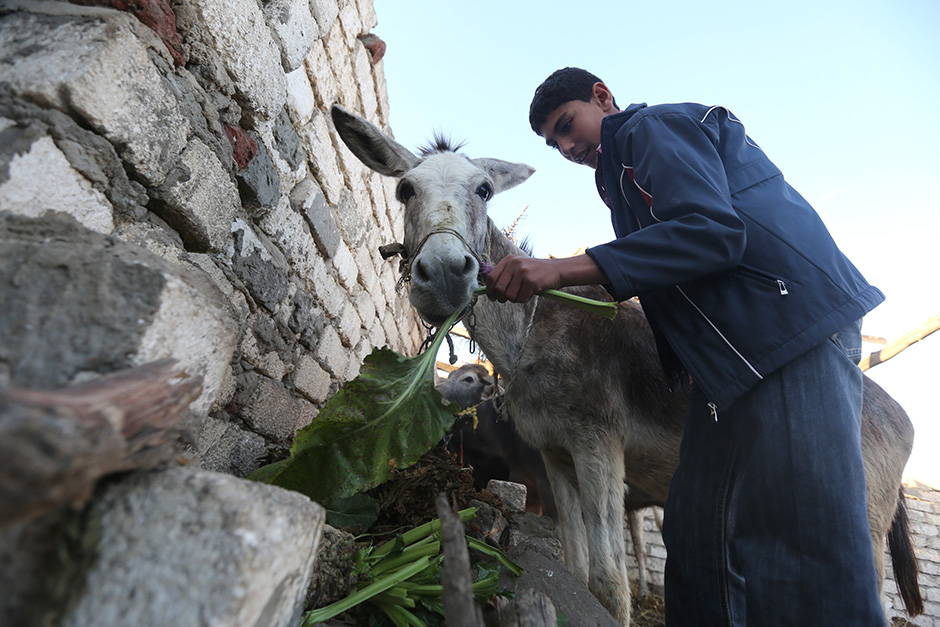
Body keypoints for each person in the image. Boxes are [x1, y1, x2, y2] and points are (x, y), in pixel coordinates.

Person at [484, 67, 886, 625]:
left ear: (602, 97)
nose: (567, 147)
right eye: (554, 142)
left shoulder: (651, 130)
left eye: (568, 126)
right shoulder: (620, 185)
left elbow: (712, 233)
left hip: (788, 331)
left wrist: (559, 270)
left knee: (803, 533)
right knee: (697, 527)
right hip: (728, 367)